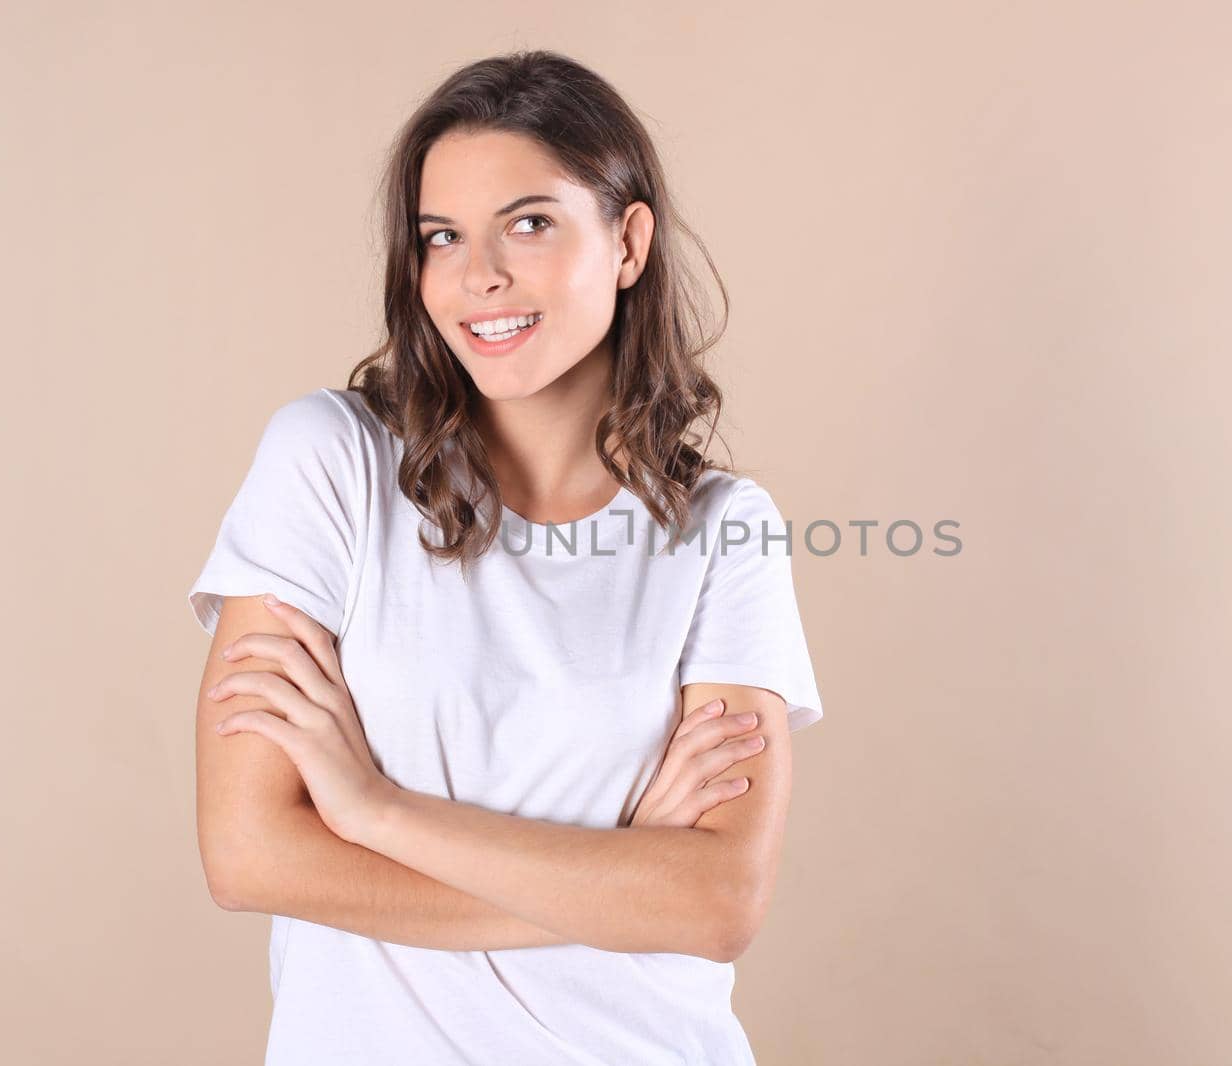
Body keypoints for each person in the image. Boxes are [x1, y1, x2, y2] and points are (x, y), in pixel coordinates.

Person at [186, 50, 824, 1065]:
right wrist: (618, 879)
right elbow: (249, 854)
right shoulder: (331, 464)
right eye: (442, 237)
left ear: (627, 240)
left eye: (529, 223)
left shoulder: (723, 531)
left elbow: (716, 903)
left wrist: (370, 809)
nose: (478, 276)